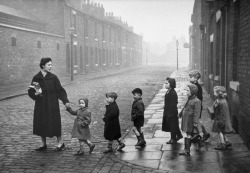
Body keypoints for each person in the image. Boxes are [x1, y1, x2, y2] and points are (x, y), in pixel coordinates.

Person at [28, 57, 70, 151]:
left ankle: (60, 143)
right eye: (49, 65)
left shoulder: (53, 77)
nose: (51, 66)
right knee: (42, 123)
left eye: (51, 65)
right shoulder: (36, 78)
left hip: (52, 105)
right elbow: (31, 92)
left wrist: (65, 101)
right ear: (43, 65)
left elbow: (60, 91)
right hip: (41, 105)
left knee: (55, 122)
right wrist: (35, 94)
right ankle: (43, 144)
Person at [188, 70, 210, 144]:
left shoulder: (197, 87)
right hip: (195, 106)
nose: (189, 79)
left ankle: (203, 134)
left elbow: (198, 99)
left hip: (197, 106)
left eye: (191, 77)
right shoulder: (194, 86)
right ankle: (203, 133)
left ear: (196, 78)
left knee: (197, 121)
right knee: (197, 121)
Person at [179, 84, 201, 155]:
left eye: (188, 90)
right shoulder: (189, 98)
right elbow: (185, 107)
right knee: (188, 133)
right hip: (186, 119)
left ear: (192, 91)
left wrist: (195, 122)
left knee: (189, 133)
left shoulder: (197, 101)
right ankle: (189, 147)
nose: (186, 92)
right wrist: (181, 113)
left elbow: (197, 113)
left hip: (190, 120)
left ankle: (187, 149)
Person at [212, 86, 234, 150]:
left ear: (219, 93)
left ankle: (222, 144)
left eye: (215, 92)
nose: (214, 93)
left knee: (220, 132)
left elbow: (224, 113)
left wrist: (221, 121)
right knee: (222, 131)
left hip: (221, 120)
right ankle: (227, 142)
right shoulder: (218, 100)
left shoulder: (223, 102)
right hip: (218, 118)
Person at [162, 78, 183, 144]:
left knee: (173, 126)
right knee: (173, 126)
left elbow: (174, 103)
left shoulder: (173, 93)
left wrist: (170, 113)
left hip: (172, 113)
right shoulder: (169, 91)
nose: (165, 84)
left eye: (166, 83)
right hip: (168, 112)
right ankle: (177, 136)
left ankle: (173, 139)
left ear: (171, 84)